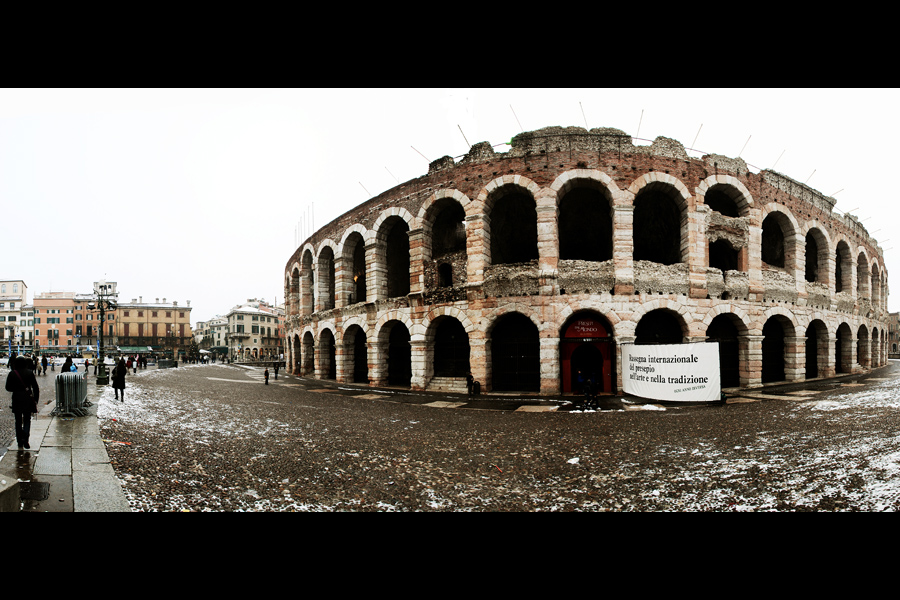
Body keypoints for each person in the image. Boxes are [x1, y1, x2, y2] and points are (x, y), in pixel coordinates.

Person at [6, 356, 39, 449]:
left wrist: (16, 389)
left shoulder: (12, 373)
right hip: (28, 398)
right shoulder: (29, 373)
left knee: (18, 421)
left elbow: (8, 388)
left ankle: (19, 441)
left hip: (17, 399)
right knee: (27, 419)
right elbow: (35, 388)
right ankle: (26, 438)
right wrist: (36, 400)